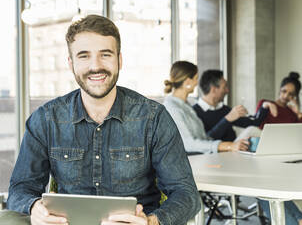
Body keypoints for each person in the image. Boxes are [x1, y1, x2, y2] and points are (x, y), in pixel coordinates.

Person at [6, 15, 201, 225]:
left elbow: (187, 194)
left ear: (120, 60)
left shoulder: (153, 117)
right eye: (84, 56)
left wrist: (152, 221)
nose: (95, 66)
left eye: (105, 55)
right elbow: (20, 189)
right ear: (71, 64)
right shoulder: (45, 119)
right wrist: (34, 207)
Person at [163, 61, 249, 154]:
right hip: (190, 163)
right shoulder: (172, 108)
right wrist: (228, 146)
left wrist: (232, 145)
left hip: (202, 157)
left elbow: (203, 138)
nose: (197, 83)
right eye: (196, 78)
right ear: (188, 82)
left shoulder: (186, 106)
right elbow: (188, 144)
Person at [256, 72, 302, 225]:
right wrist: (265, 107)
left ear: (294, 97)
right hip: (264, 156)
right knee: (267, 188)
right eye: (284, 91)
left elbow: (298, 133)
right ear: (279, 89)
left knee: (278, 192)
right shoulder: (266, 103)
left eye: (290, 94)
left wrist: (298, 113)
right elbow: (257, 123)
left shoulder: (291, 112)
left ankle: (298, 219)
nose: (285, 96)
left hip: (285, 156)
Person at [193, 69, 277, 141]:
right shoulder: (194, 112)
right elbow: (205, 141)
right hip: (212, 155)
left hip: (233, 152)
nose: (227, 91)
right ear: (214, 89)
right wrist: (227, 119)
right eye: (224, 87)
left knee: (252, 130)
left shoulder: (224, 109)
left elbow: (254, 123)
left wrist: (264, 106)